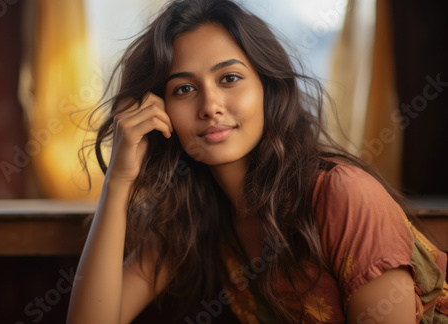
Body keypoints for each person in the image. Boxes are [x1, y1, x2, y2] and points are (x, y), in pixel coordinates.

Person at [67, 0, 448, 323]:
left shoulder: (342, 195)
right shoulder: (197, 212)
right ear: (160, 112)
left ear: (268, 89)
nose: (211, 106)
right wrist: (118, 180)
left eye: (229, 78)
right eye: (184, 89)